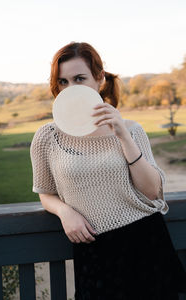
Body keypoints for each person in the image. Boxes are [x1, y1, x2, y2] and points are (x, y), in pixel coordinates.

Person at [30, 42, 186, 300]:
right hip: (94, 251)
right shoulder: (48, 136)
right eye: (63, 82)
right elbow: (45, 193)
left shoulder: (131, 129)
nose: (70, 88)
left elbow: (152, 191)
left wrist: (123, 136)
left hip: (146, 244)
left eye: (79, 79)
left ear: (99, 79)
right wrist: (64, 211)